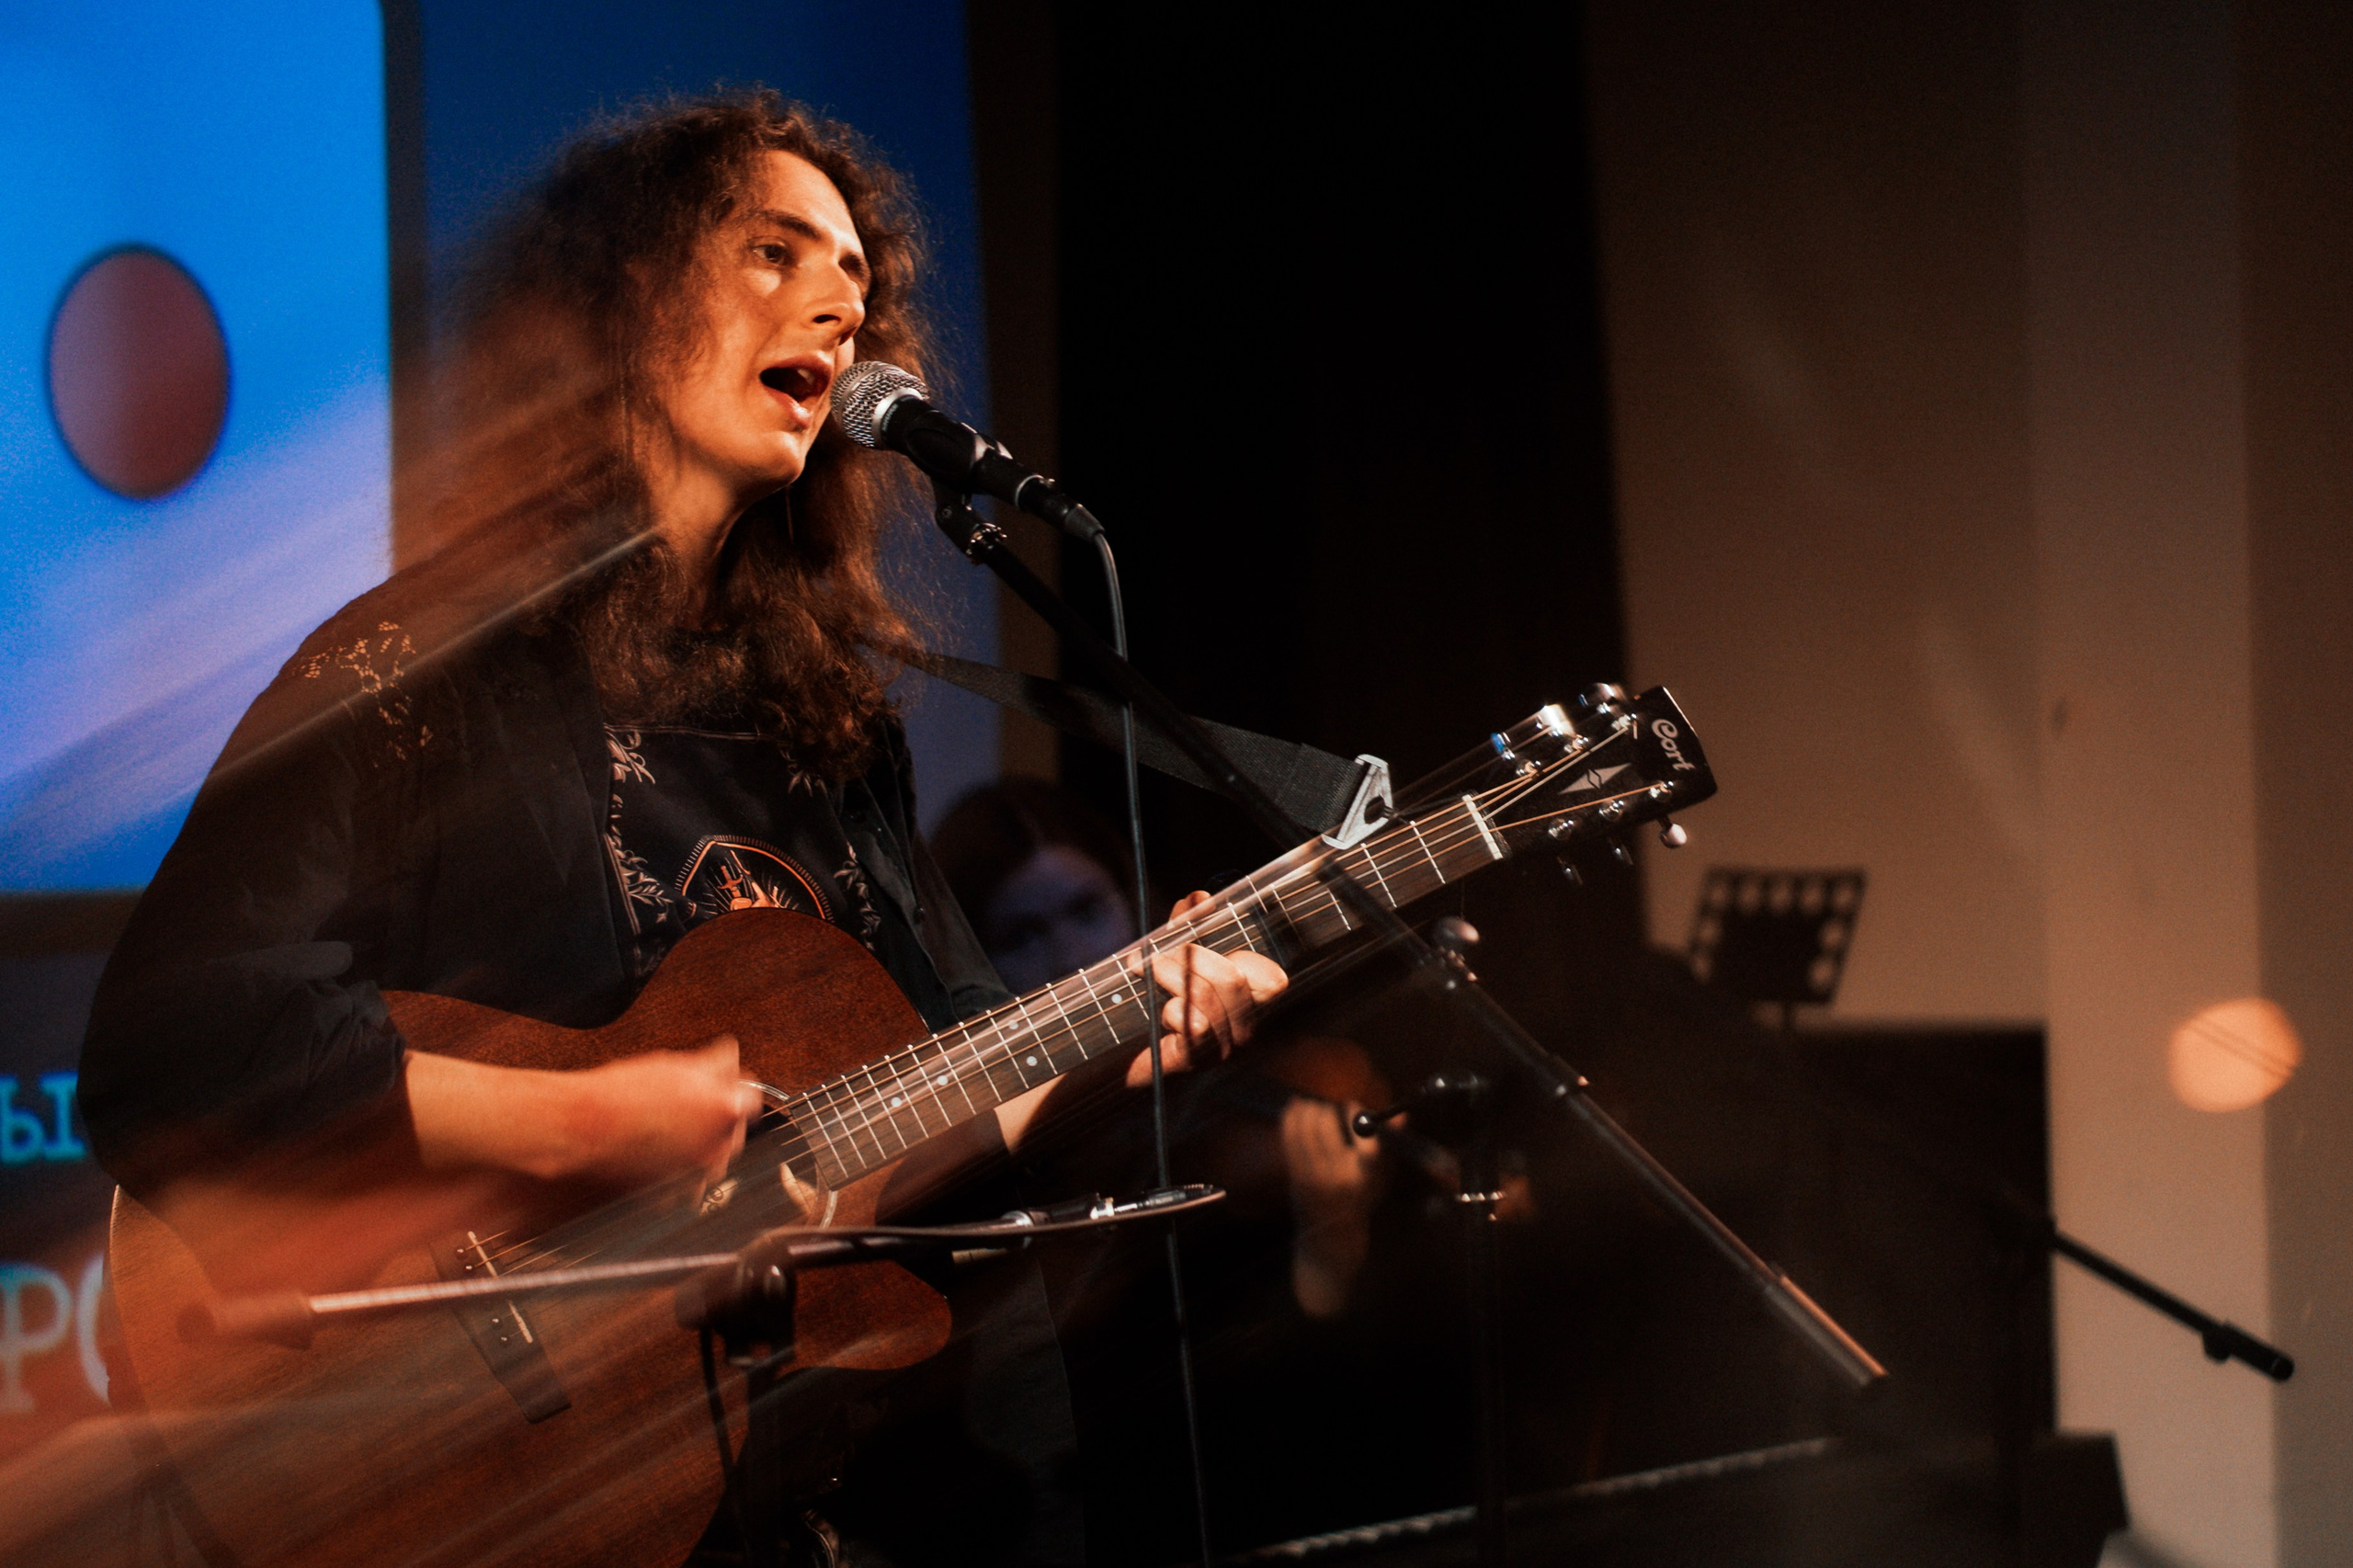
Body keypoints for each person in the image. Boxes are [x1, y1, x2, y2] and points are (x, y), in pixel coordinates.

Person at [77, 92, 1285, 1565]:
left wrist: (1117, 1039)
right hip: (482, 1465)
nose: (840, 306)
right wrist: (593, 1120)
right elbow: (174, 1039)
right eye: (775, 252)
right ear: (627, 300)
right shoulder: (422, 667)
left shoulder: (834, 726)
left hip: (784, 1492)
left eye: (857, 279)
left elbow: (931, 1097)